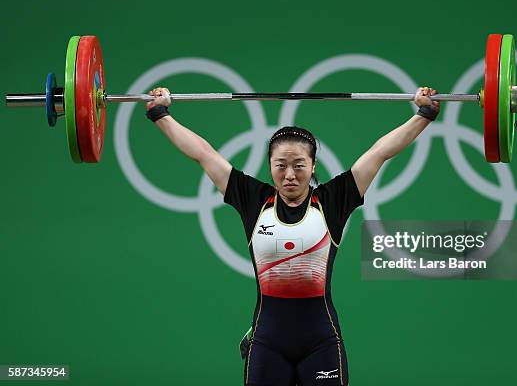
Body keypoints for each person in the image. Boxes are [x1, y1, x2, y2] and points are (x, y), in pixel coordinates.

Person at [144, 87, 440, 386]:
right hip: (267, 344)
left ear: (312, 166)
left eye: (299, 166)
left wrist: (424, 114)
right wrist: (160, 114)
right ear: (270, 166)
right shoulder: (252, 200)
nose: (290, 175)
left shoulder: (334, 200)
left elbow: (380, 152)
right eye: (281, 165)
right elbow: (203, 154)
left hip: (321, 343)